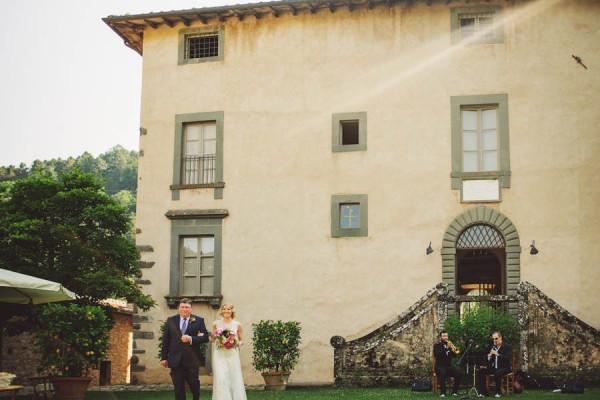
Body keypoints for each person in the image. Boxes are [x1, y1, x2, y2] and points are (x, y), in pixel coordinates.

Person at [160, 298, 209, 400]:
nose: (184, 309)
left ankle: (196, 397)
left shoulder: (199, 320)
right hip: (175, 359)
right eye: (182, 307)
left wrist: (191, 338)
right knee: (178, 387)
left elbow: (205, 337)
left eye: (187, 307)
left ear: (191, 309)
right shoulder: (171, 320)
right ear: (179, 308)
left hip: (192, 359)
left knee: (193, 384)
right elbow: (166, 340)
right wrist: (164, 357)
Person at [210, 303, 247, 400]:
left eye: (228, 309)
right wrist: (204, 336)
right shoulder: (216, 324)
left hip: (232, 354)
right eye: (224, 309)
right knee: (221, 377)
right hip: (219, 353)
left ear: (232, 311)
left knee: (233, 377)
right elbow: (213, 339)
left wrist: (237, 343)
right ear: (221, 311)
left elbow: (241, 340)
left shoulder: (237, 325)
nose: (226, 311)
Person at [476, 331, 513, 398]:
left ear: (500, 337)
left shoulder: (507, 346)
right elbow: (488, 361)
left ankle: (498, 392)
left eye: (496, 338)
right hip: (494, 367)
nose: (494, 340)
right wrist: (488, 358)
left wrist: (497, 354)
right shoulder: (492, 347)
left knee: (497, 373)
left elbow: (508, 359)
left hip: (505, 367)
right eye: (493, 339)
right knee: (480, 371)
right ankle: (483, 392)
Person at [433, 330, 463, 397]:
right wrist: (447, 348)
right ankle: (443, 393)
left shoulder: (449, 345)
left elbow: (454, 356)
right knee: (443, 373)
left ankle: (454, 392)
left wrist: (453, 351)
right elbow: (438, 355)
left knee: (459, 374)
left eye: (446, 336)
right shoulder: (437, 345)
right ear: (440, 337)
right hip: (439, 366)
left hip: (448, 366)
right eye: (444, 336)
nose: (446, 337)